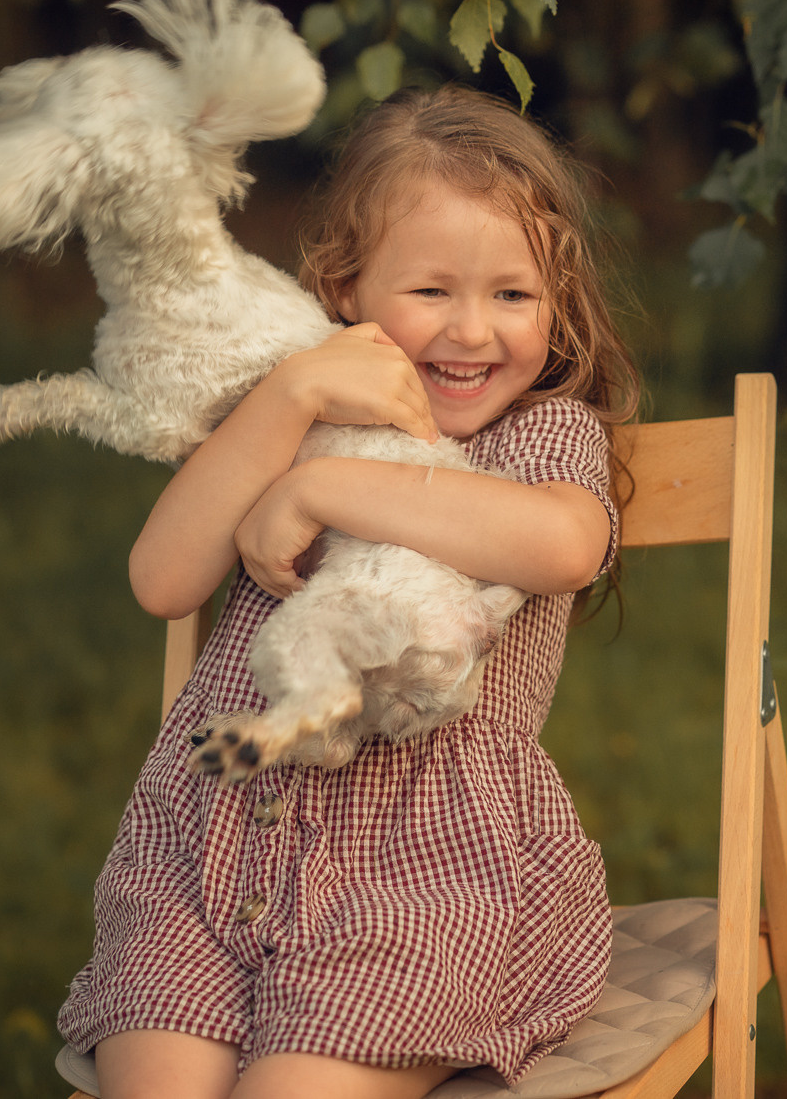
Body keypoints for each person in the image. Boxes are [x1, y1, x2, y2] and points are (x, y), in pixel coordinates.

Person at [57, 85, 641, 1099]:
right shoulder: (283, 413)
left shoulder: (542, 438)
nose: (472, 331)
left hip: (424, 886)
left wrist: (326, 487)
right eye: (429, 292)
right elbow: (162, 579)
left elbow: (561, 546)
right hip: (206, 859)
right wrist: (292, 398)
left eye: (512, 295)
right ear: (344, 288)